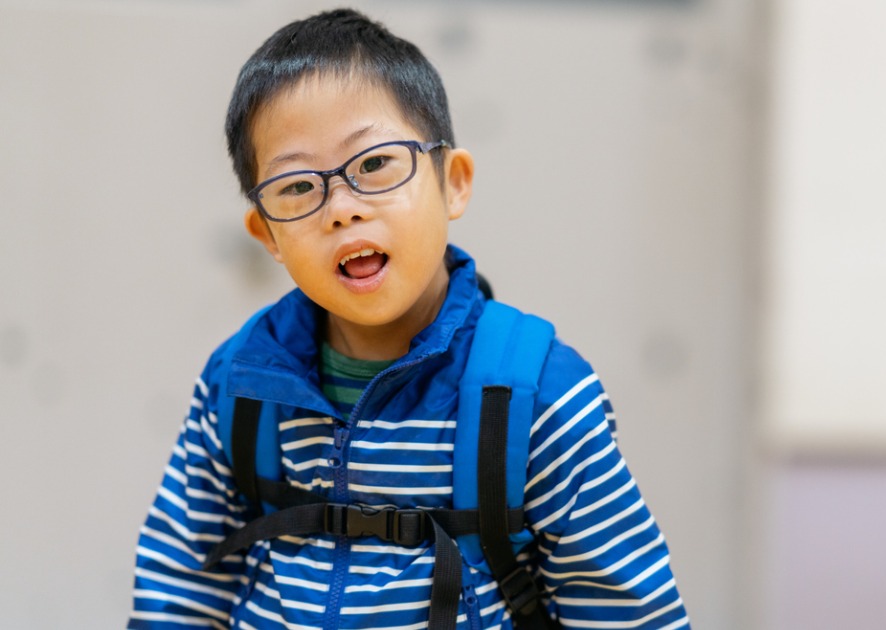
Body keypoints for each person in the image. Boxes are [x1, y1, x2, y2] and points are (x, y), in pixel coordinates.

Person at [127, 8, 689, 630]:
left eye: (373, 165)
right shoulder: (240, 382)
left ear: (453, 183)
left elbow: (625, 613)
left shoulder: (536, 394)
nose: (341, 209)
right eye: (296, 188)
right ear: (267, 235)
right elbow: (180, 582)